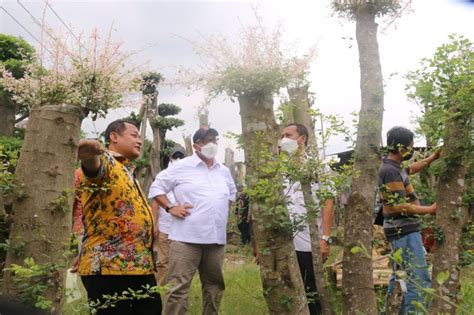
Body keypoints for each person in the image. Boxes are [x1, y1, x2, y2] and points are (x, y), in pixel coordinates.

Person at [77, 119, 161, 315]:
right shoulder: (106, 161)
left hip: (139, 266)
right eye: (134, 135)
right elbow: (93, 168)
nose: (139, 140)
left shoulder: (126, 170)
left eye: (140, 137)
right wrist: (89, 155)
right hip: (109, 267)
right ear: (113, 137)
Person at [149, 127, 236, 315]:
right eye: (207, 140)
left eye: (215, 139)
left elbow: (231, 195)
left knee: (214, 286)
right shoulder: (181, 167)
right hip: (186, 239)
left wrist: (217, 212)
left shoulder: (224, 171)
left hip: (215, 240)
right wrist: (171, 207)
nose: (212, 144)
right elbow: (156, 188)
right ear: (197, 145)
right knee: (178, 287)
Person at [379, 126, 440, 313]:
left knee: (400, 276)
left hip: (400, 230)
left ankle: (393, 310)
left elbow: (411, 168)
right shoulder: (390, 172)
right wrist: (429, 210)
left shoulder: (395, 168)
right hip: (403, 230)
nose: (412, 150)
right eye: (411, 146)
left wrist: (432, 158)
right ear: (401, 148)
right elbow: (398, 206)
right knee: (417, 279)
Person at [280, 123, 334, 315]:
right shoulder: (279, 169)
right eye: (282, 135)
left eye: (288, 135)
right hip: (285, 241)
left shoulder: (319, 167)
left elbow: (328, 202)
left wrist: (325, 238)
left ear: (301, 139)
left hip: (308, 241)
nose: (283, 139)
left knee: (311, 289)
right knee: (288, 288)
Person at [148, 146, 186, 286]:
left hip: (181, 229)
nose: (178, 159)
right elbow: (155, 202)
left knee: (179, 263)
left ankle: (174, 290)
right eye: (175, 156)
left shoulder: (188, 175)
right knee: (163, 261)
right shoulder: (163, 175)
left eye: (181, 157)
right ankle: (159, 290)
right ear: (170, 158)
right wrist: (155, 224)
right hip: (164, 227)